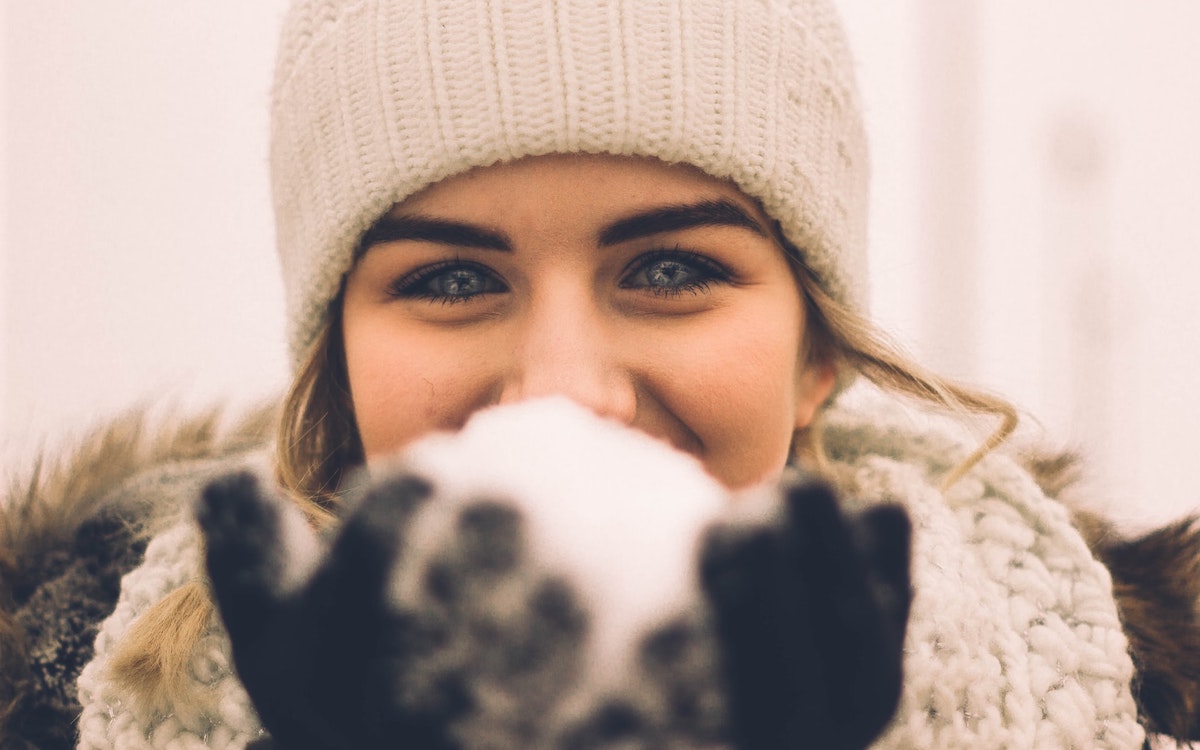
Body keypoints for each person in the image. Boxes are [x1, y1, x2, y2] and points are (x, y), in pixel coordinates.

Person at [1, 0, 1197, 748]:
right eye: (453, 281)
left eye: (671, 268)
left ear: (816, 354)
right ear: (338, 356)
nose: (567, 388)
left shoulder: (1152, 698)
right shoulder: (48, 699)